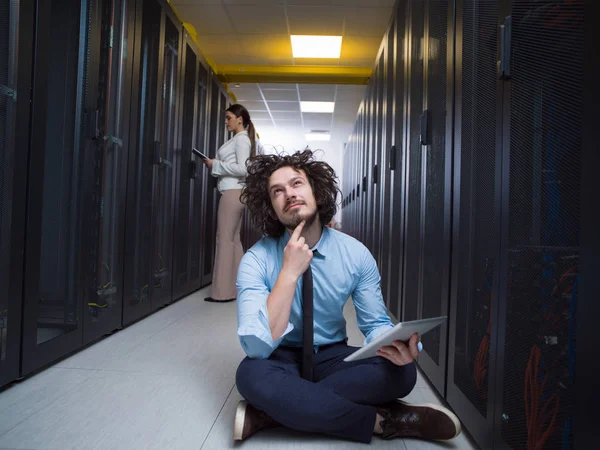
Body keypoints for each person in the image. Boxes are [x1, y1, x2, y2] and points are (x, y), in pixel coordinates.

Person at [232, 149, 462, 443]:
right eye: (278, 191)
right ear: (271, 207)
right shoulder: (257, 259)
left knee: (402, 373)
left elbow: (375, 323)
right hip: (281, 357)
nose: (289, 194)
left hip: (331, 356)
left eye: (296, 183)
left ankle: (272, 413)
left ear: (316, 190)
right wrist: (289, 274)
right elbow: (257, 347)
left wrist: (398, 344)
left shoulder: (354, 253)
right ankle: (384, 421)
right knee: (250, 375)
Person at [202, 104, 256, 302]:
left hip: (232, 192)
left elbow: (243, 169)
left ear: (240, 119)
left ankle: (222, 293)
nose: (226, 122)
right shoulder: (240, 140)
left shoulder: (241, 140)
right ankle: (241, 289)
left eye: (228, 118)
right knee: (233, 241)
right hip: (237, 193)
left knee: (224, 240)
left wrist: (214, 164)